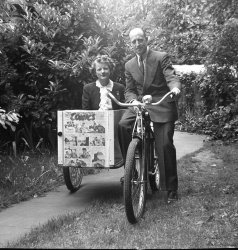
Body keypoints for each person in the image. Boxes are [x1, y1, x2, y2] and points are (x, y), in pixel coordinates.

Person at [118, 27, 181, 203]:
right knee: (123, 125)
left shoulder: (161, 57)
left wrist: (175, 89)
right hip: (141, 104)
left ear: (147, 39)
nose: (137, 44)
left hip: (161, 103)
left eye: (140, 40)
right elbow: (129, 90)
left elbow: (171, 76)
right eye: (133, 41)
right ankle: (132, 170)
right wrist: (132, 101)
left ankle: (170, 188)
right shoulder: (129, 64)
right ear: (130, 44)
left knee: (165, 144)